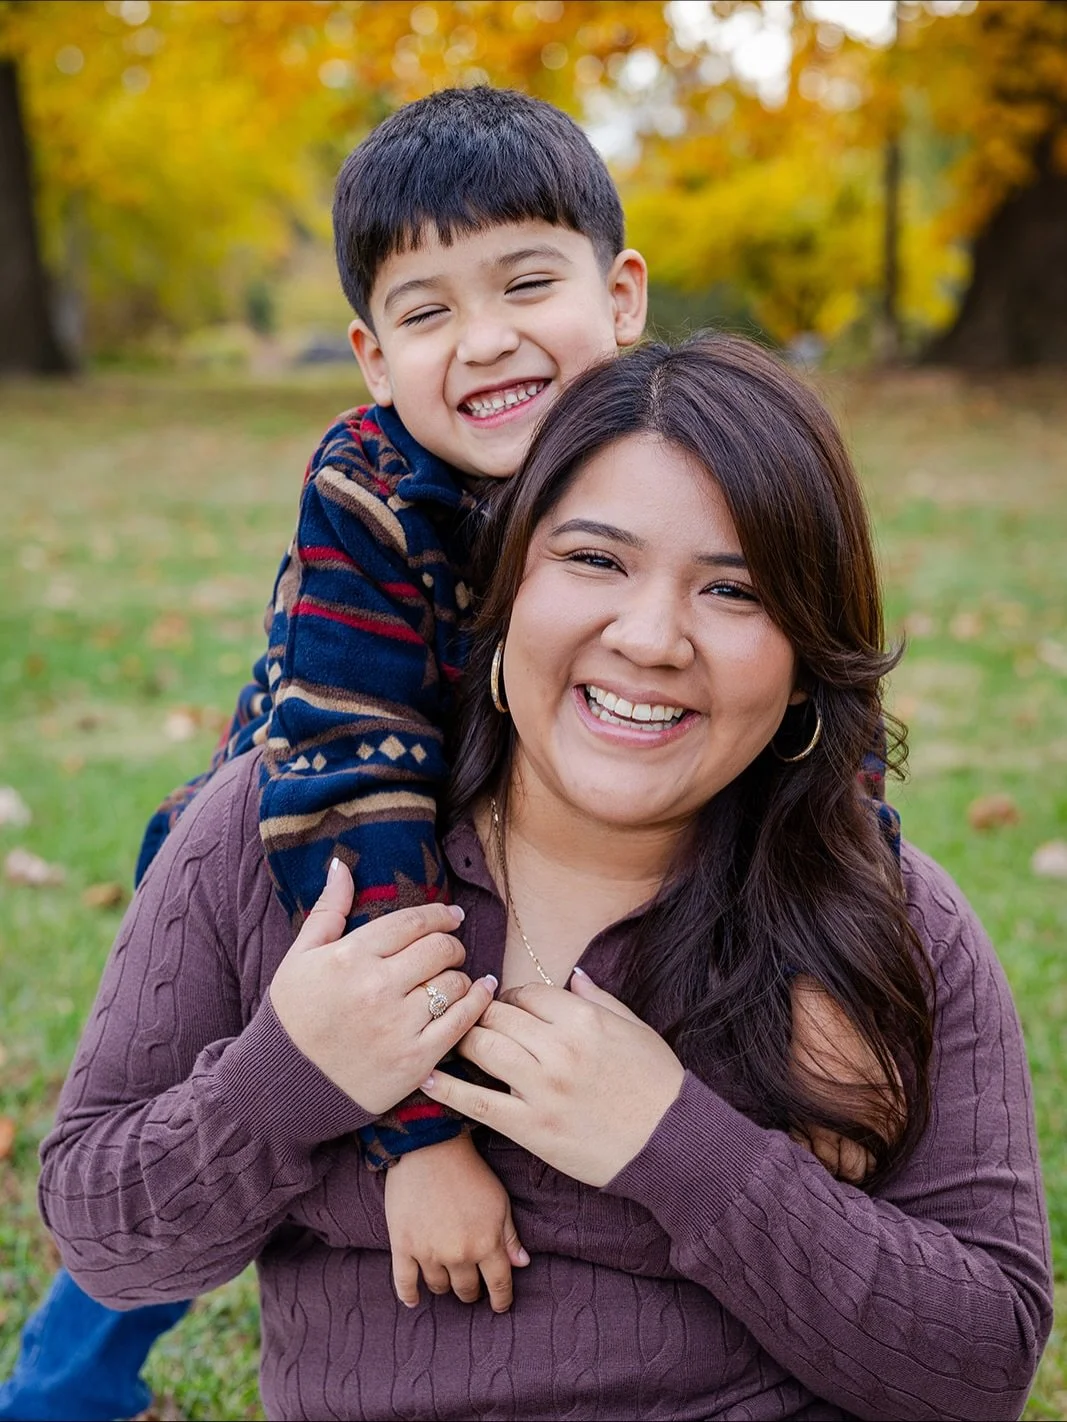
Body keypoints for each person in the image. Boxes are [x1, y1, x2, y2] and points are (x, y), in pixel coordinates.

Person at [3, 90, 893, 1420]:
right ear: (371, 354)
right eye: (427, 312)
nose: (485, 342)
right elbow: (354, 792)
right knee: (242, 1105)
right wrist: (414, 1141)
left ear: (622, 291)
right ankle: (69, 1378)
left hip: (512, 829)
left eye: (526, 282)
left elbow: (813, 711)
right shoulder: (375, 495)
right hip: (317, 837)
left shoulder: (692, 461)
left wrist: (836, 971)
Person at [38, 335, 1051, 1421]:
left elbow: (980, 1366)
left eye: (733, 589)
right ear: (503, 585)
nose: (652, 637)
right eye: (593, 560)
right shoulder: (276, 839)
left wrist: (675, 1145)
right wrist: (290, 1077)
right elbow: (105, 1245)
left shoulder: (887, 918)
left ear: (807, 655)